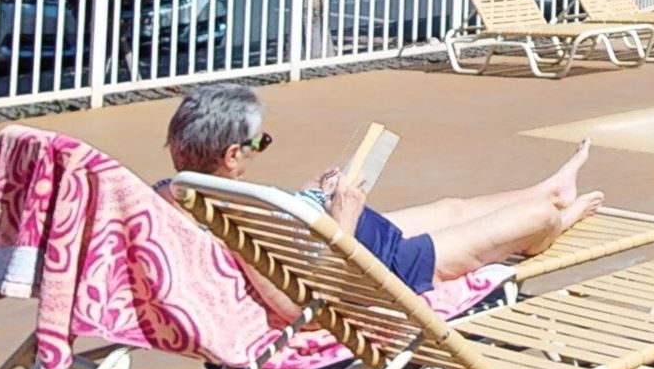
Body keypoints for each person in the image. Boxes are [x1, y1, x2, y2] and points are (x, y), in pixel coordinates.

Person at [162, 83, 605, 308]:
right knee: (537, 216)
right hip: (381, 267)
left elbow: (292, 241)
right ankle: (556, 218)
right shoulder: (235, 219)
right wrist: (344, 215)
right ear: (232, 154)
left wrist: (319, 196)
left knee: (455, 208)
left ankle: (550, 187)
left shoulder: (187, 194)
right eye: (261, 142)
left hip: (353, 235)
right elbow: (319, 292)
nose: (263, 148)